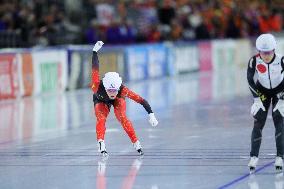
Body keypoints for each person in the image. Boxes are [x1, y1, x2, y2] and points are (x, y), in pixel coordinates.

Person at [91, 41, 158, 157]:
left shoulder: (123, 90)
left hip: (118, 100)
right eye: (110, 90)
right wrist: (94, 51)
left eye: (114, 90)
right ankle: (101, 142)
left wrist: (151, 114)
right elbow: (95, 68)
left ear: (118, 88)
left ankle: (136, 142)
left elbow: (141, 100)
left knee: (123, 118)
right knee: (101, 119)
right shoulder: (96, 86)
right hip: (100, 99)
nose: (112, 93)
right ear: (105, 87)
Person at [247, 33, 284, 172]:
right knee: (258, 122)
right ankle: (254, 156)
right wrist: (256, 99)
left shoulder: (281, 60)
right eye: (263, 53)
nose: (266, 56)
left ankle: (280, 156)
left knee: (279, 120)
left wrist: (282, 99)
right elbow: (250, 79)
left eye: (268, 53)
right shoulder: (254, 61)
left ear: (274, 50)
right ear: (259, 52)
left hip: (280, 91)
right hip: (262, 91)